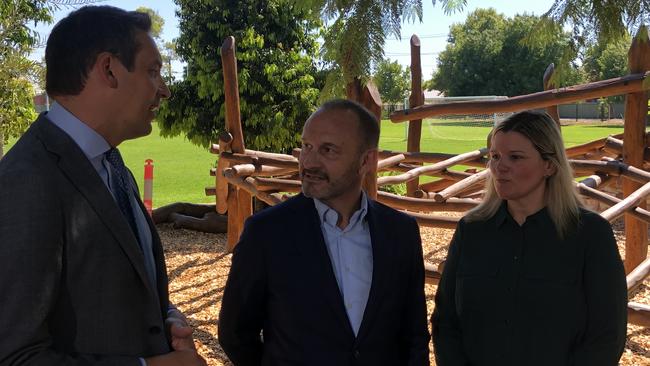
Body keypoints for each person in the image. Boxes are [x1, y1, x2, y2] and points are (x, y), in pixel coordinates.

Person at [0, 6, 206, 366]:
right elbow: (14, 355)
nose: (165, 90)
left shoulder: (110, 163)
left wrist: (167, 321)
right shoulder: (26, 182)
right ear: (108, 69)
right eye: (153, 72)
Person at [218, 99, 430, 365]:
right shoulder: (266, 234)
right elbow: (234, 334)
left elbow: (415, 335)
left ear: (366, 160)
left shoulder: (400, 233)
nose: (309, 162)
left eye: (328, 150)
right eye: (307, 146)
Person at [432, 110, 628, 366]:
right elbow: (445, 321)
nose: (499, 167)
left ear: (549, 165)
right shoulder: (471, 231)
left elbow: (606, 336)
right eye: (494, 156)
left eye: (515, 157)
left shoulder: (590, 235)